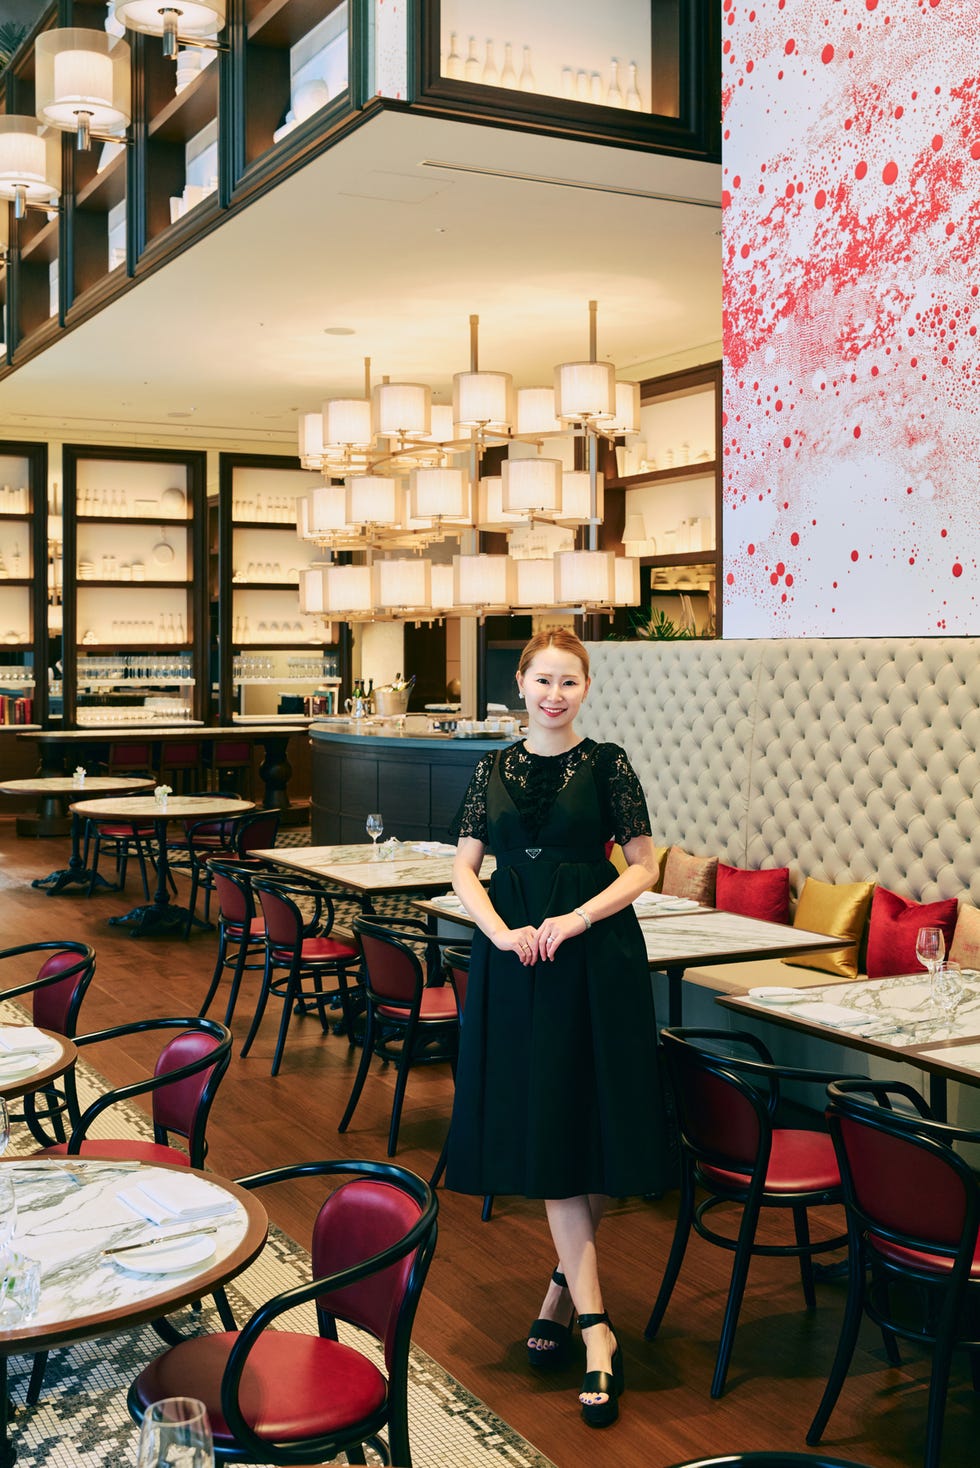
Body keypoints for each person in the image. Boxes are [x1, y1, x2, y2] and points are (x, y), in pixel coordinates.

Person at [446, 628, 668, 1429]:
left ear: (585, 687)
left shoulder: (609, 764)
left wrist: (574, 917)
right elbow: (463, 867)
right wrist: (501, 932)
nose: (555, 694)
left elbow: (644, 865)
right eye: (543, 680)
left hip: (594, 955)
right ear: (520, 682)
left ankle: (572, 1304)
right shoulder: (491, 767)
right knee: (550, 1124)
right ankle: (594, 1322)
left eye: (569, 681)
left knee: (593, 1118)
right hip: (519, 962)